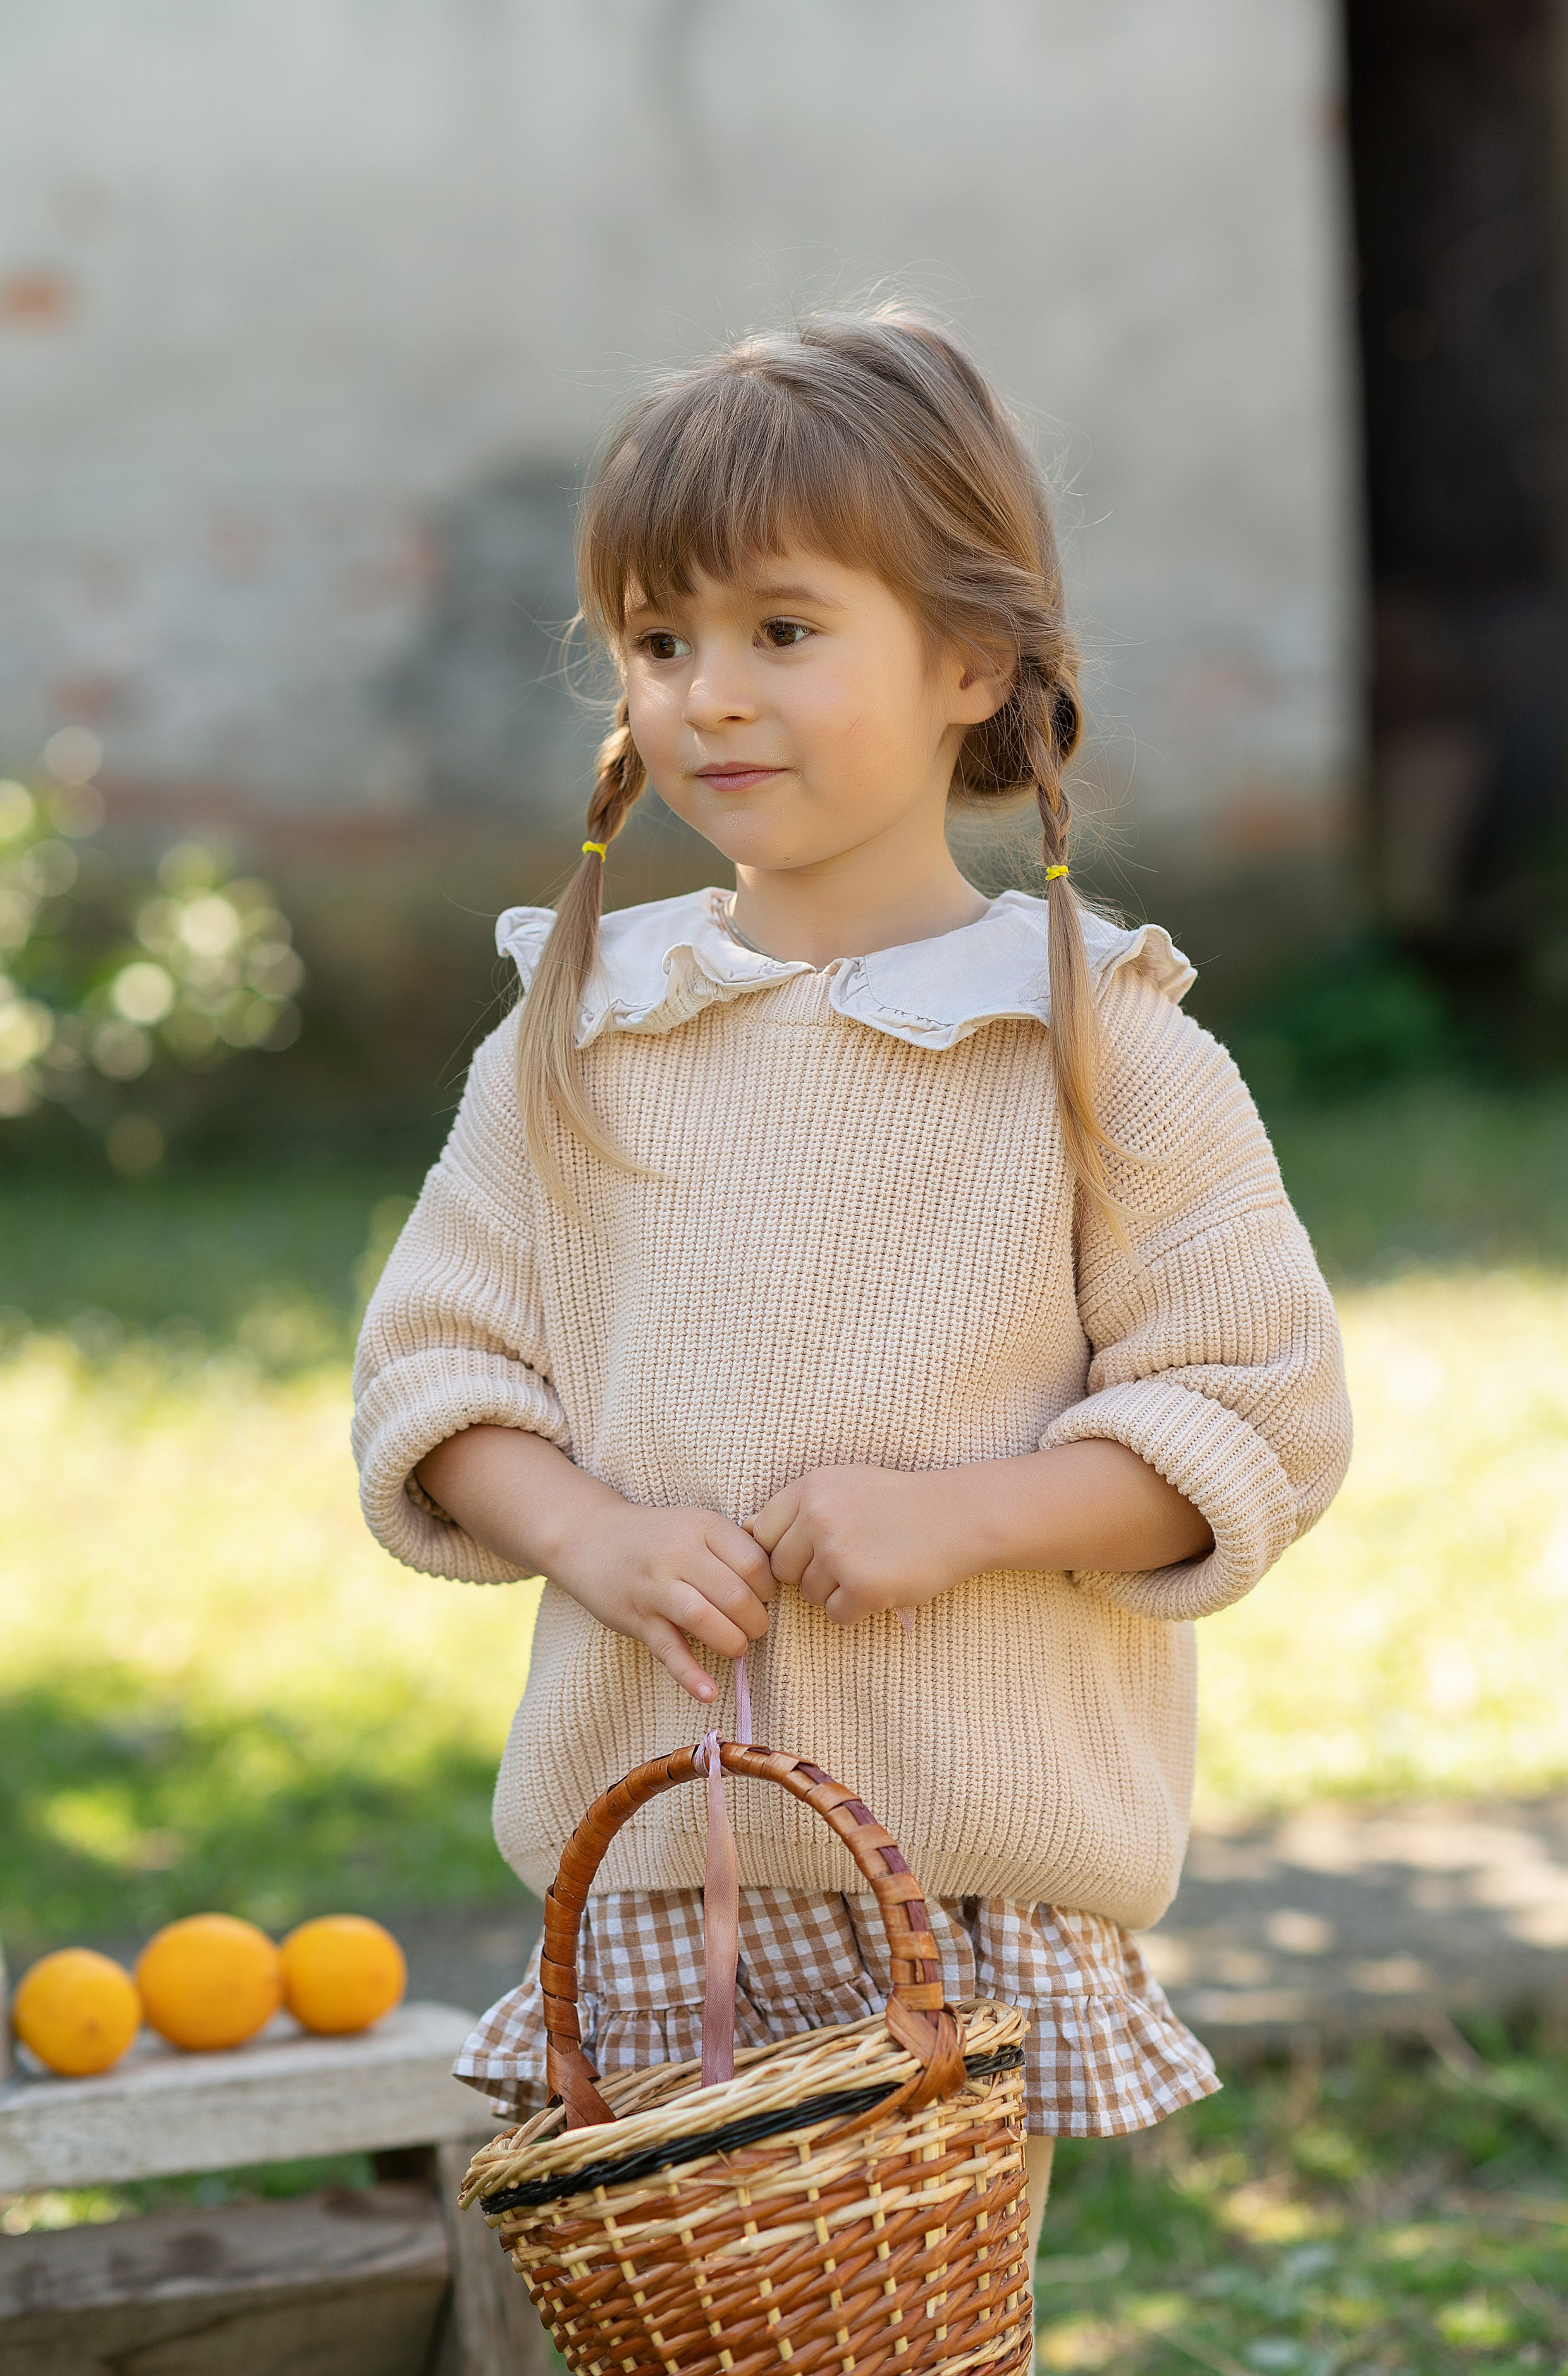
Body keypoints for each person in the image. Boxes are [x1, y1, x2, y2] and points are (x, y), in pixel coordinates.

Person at [353, 309, 1352, 2277]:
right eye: (661, 643)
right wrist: (596, 1535)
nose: (709, 696)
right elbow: (437, 1369)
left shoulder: (1091, 1043)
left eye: (783, 633)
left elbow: (1255, 1408)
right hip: (652, 1868)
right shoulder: (581, 1031)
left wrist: (969, 1514)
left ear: (970, 661)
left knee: (897, 2327)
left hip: (952, 1896)